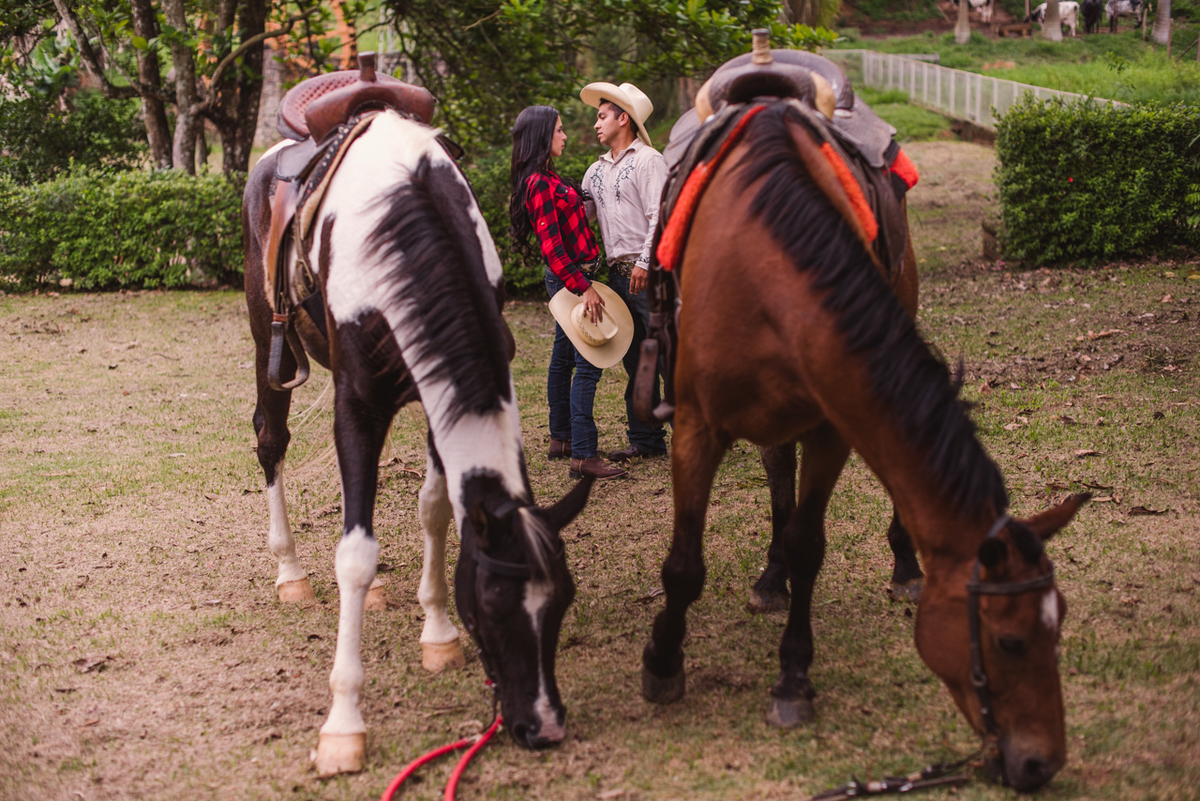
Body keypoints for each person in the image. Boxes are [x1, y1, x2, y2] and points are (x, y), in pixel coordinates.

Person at [508, 105, 627, 480]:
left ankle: (561, 438)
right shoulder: (540, 184)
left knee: (563, 358)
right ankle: (584, 454)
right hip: (572, 281)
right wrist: (585, 288)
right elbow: (553, 248)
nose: (564, 136)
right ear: (543, 136)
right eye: (559, 131)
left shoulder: (547, 177)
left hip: (572, 279)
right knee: (589, 363)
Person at [579, 81, 668, 463]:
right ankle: (646, 440)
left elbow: (659, 216)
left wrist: (646, 262)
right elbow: (582, 219)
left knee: (667, 356)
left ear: (623, 118)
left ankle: (700, 430)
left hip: (650, 273)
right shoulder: (593, 171)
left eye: (602, 117)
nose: (596, 124)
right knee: (634, 360)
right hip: (616, 276)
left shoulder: (648, 160)